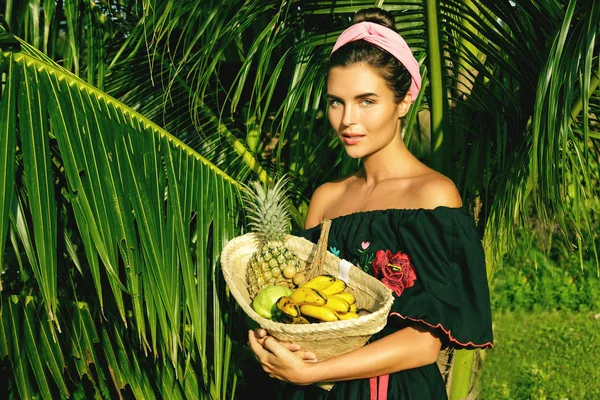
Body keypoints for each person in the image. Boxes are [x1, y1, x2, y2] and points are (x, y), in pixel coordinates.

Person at [248, 7, 493, 399]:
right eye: (336, 102)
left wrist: (312, 372)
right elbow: (301, 305)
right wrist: (271, 341)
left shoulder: (433, 196)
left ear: (405, 100)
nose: (347, 120)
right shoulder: (326, 199)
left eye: (366, 101)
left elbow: (423, 343)